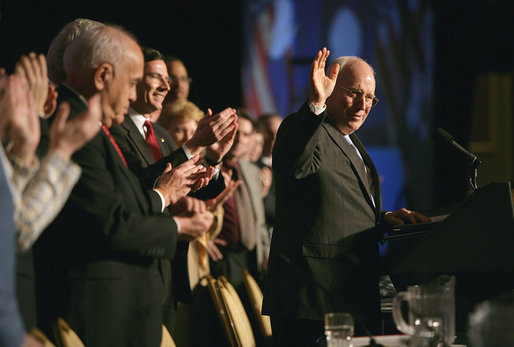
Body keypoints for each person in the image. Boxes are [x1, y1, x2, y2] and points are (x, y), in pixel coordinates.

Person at [33, 25, 213, 346]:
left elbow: (123, 202)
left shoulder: (91, 125)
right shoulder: (72, 124)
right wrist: (174, 224)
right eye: (132, 83)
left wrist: (165, 192)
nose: (133, 96)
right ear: (102, 76)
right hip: (99, 313)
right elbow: (108, 223)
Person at [262, 48, 429, 346]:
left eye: (370, 98)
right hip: (312, 299)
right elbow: (294, 166)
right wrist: (316, 103)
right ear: (329, 86)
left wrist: (384, 219)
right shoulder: (304, 128)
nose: (363, 104)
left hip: (350, 293)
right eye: (355, 93)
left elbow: (339, 206)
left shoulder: (351, 142)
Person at [208, 111, 270, 293]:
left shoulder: (251, 170)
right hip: (220, 258)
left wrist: (266, 255)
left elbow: (259, 220)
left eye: (246, 134)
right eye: (234, 131)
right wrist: (202, 239)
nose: (239, 139)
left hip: (251, 260)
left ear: (252, 140)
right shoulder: (207, 165)